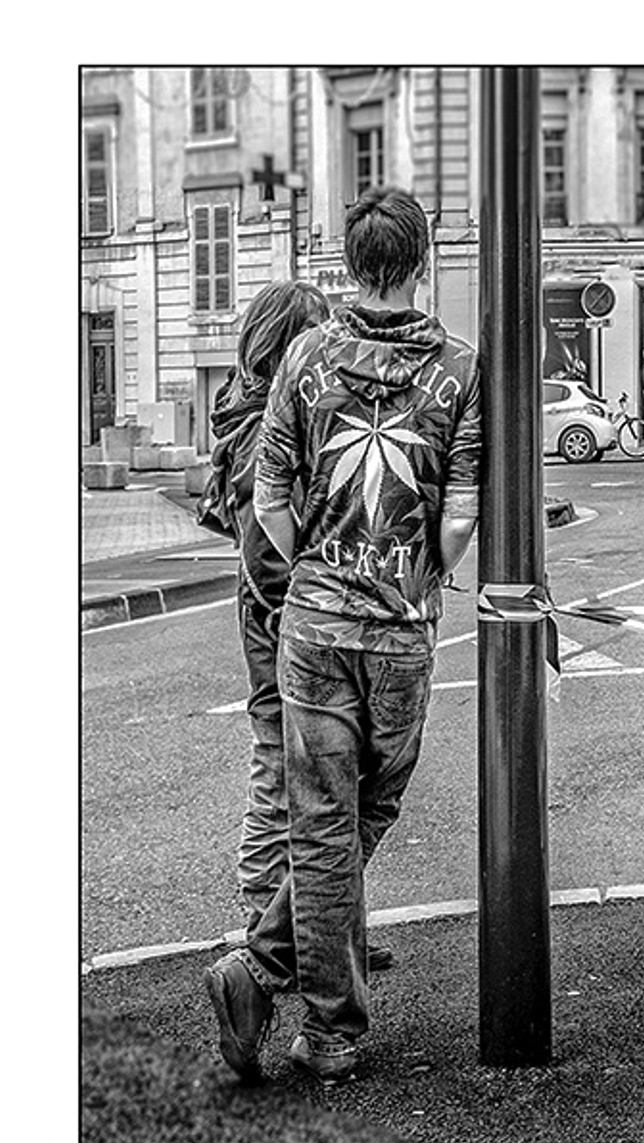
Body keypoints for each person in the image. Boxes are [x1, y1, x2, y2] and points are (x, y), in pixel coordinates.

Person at [206, 186, 482, 1085]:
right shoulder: (459, 365)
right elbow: (458, 518)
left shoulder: (306, 358)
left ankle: (315, 1019)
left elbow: (273, 496)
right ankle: (273, 982)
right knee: (371, 805)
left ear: (351, 263)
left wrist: (319, 564)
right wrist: (422, 569)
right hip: (400, 627)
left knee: (320, 815)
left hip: (313, 622)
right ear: (423, 261)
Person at [203, 281, 398, 971]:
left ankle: (322, 928)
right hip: (284, 628)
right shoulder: (265, 428)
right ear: (287, 347)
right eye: (316, 334)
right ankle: (268, 932)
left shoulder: (273, 413)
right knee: (281, 776)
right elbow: (268, 555)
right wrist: (319, 601)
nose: (330, 348)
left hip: (289, 622)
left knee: (317, 782)